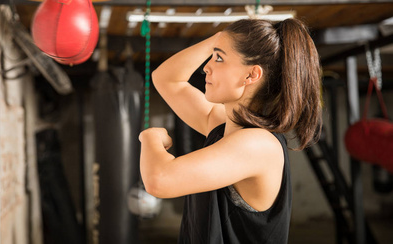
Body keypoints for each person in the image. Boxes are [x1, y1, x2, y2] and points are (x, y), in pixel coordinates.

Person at [138, 18, 322, 243]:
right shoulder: (222, 124)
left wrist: (150, 137)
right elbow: (166, 79)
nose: (206, 66)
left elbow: (159, 180)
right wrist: (218, 40)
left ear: (251, 75)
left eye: (219, 58)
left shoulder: (258, 145)